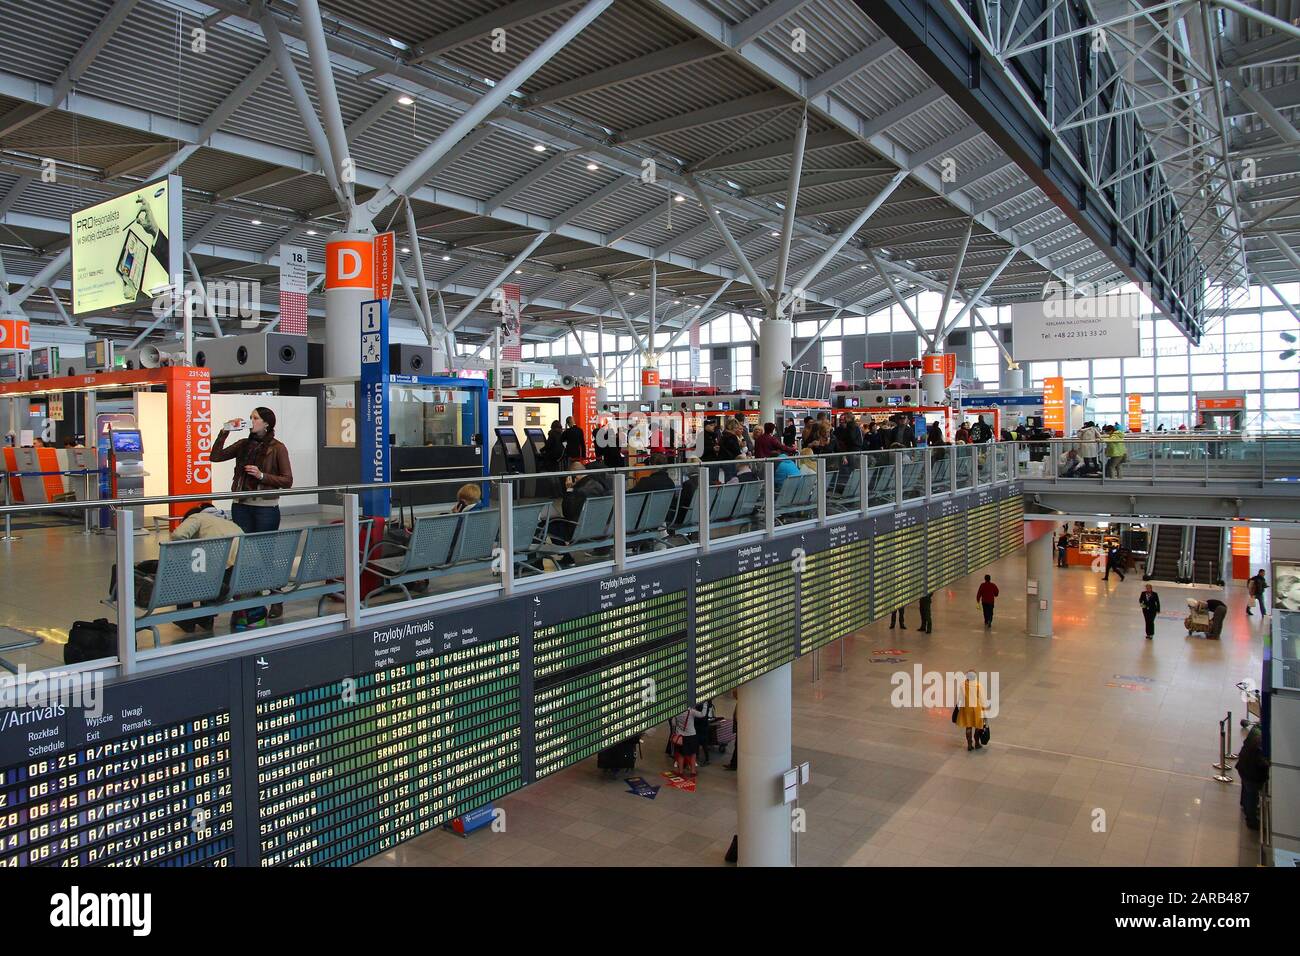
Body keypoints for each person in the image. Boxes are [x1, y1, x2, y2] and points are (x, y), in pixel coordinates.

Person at [212, 407, 293, 534]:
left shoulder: (278, 447)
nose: (251, 421)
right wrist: (225, 430)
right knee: (242, 547)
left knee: (264, 548)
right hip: (240, 505)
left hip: (265, 508)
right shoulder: (243, 444)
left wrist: (261, 475)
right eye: (250, 418)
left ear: (266, 423)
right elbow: (215, 457)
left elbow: (287, 481)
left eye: (255, 418)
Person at [170, 503, 245, 631]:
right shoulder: (230, 524)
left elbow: (178, 535)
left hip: (216, 578)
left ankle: (186, 620)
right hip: (241, 578)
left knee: (180, 569)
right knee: (207, 564)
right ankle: (206, 619)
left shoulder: (196, 517)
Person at [1235, 724, 1268, 831]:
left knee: (1246, 789)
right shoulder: (1262, 741)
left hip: (1244, 765)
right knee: (1252, 796)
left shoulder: (1256, 729)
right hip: (1252, 772)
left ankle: (1245, 806)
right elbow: (1260, 761)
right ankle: (1251, 820)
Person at [670, 703, 707, 776]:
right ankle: (693, 771)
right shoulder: (691, 711)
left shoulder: (676, 712)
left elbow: (673, 723)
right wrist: (705, 704)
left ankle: (680, 772)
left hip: (681, 737)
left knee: (681, 755)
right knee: (693, 754)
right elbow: (702, 714)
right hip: (691, 735)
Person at [956, 670, 988, 751]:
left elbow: (960, 698)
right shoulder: (978, 685)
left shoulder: (962, 685)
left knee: (968, 726)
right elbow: (982, 699)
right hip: (977, 708)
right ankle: (977, 743)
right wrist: (984, 709)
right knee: (977, 726)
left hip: (966, 708)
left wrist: (959, 707)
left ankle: (969, 744)